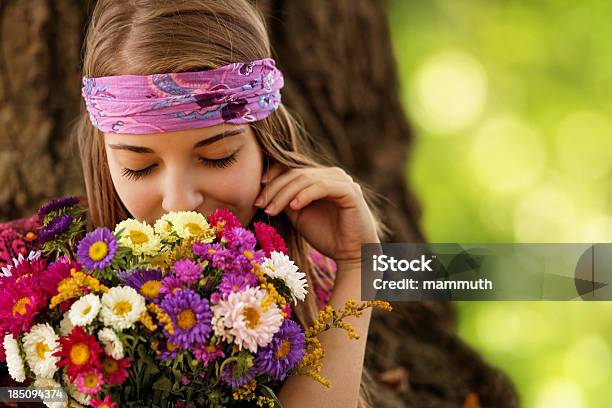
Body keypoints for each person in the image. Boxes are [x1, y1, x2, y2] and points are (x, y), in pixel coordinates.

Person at [2, 0, 388, 406]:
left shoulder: (311, 278)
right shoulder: (20, 269)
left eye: (217, 157)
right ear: (104, 156)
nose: (179, 201)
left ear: (265, 144)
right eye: (139, 165)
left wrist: (360, 265)